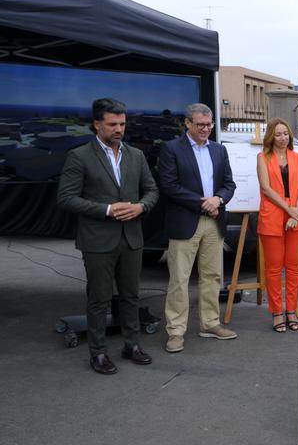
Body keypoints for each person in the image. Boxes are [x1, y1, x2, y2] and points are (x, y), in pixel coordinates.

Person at [56, 98, 159, 374]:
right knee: (99, 299)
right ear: (97, 124)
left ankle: (132, 345)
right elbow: (66, 198)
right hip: (98, 240)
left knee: (131, 296)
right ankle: (98, 352)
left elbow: (152, 191)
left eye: (122, 124)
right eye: (112, 124)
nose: (119, 129)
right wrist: (107, 210)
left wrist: (140, 206)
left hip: (131, 239)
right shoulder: (80, 156)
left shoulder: (136, 155)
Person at [158, 103, 237, 353]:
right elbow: (169, 185)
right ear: (188, 124)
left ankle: (210, 323)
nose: (205, 129)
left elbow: (229, 184)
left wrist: (219, 199)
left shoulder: (219, 150)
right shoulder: (172, 149)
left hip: (214, 222)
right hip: (185, 222)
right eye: (200, 124)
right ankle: (176, 332)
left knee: (212, 276)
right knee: (179, 280)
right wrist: (205, 203)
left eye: (209, 124)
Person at [256, 118, 298, 332]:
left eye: (285, 133)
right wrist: (289, 210)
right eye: (278, 134)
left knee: (294, 267)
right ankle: (277, 311)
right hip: (273, 217)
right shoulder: (262, 157)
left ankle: (291, 311)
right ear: (271, 136)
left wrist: (296, 213)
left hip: (297, 217)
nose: (283, 138)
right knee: (274, 268)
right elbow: (266, 189)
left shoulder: (297, 158)